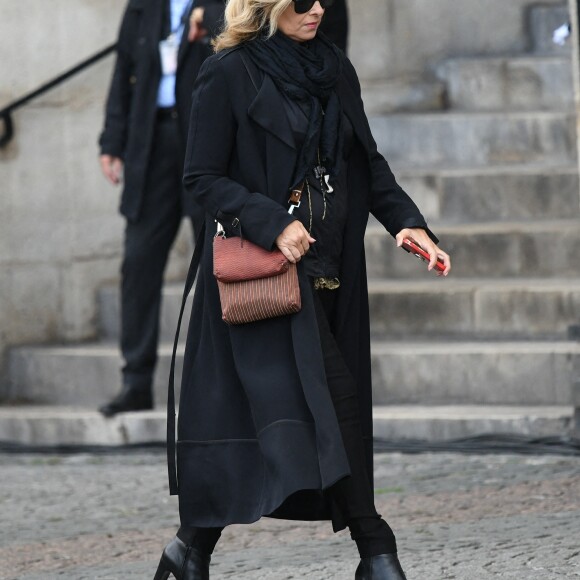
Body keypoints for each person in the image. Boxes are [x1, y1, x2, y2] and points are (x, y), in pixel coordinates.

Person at [155, 0, 451, 578]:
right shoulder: (227, 72)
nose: (317, 9)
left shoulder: (333, 67)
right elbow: (202, 176)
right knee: (331, 406)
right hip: (267, 275)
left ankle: (189, 550)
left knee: (269, 421)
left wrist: (407, 222)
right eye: (303, 0)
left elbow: (366, 161)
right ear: (266, 5)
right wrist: (270, 221)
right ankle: (377, 551)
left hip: (330, 269)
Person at [97, 0, 225, 417]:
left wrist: (210, 28)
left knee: (215, 261)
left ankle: (218, 384)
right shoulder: (144, 6)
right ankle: (135, 379)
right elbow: (123, 72)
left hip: (204, 143)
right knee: (138, 261)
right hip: (150, 143)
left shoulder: (220, 4)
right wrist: (112, 142)